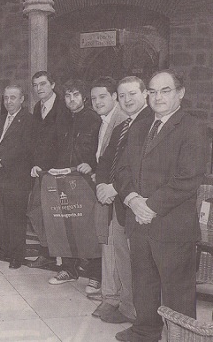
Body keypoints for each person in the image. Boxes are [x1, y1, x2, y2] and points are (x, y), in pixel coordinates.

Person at [114, 69, 207, 342]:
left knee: (177, 290)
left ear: (181, 93)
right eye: (152, 91)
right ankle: (146, 330)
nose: (157, 97)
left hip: (172, 225)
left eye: (165, 90)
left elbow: (187, 178)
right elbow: (122, 169)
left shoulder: (193, 128)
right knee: (144, 283)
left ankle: (183, 337)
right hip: (138, 221)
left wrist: (149, 206)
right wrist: (131, 199)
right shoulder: (140, 126)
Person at [93, 76, 152, 325]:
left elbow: (139, 167)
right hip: (117, 203)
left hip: (136, 202)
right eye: (123, 95)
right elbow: (106, 161)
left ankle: (136, 312)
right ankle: (127, 308)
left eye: (132, 94)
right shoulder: (122, 126)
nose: (127, 100)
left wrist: (114, 189)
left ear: (145, 95)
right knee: (122, 258)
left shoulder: (150, 123)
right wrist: (100, 187)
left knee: (136, 261)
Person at [47, 79, 101, 286]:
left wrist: (92, 166)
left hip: (86, 179)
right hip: (63, 178)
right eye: (68, 96)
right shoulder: (62, 118)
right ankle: (68, 269)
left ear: (84, 98)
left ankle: (96, 274)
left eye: (76, 95)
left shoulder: (94, 119)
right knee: (65, 222)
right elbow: (54, 147)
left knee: (89, 225)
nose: (71, 99)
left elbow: (100, 150)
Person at [85, 76, 128, 296]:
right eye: (93, 98)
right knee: (107, 242)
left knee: (114, 245)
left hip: (117, 194)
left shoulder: (121, 120)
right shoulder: (103, 120)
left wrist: (107, 185)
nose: (97, 101)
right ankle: (110, 294)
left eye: (103, 96)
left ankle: (114, 295)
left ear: (114, 97)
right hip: (106, 189)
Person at [0, 85, 34, 269]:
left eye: (13, 98)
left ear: (22, 99)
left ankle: (17, 255)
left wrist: (1, 161)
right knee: (1, 215)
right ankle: (4, 249)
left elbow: (24, 147)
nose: (9, 102)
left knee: (16, 217)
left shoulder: (28, 120)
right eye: (6, 98)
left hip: (16, 176)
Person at [27, 71, 67, 268]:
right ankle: (48, 251)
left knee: (57, 214)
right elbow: (37, 141)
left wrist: (50, 167)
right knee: (36, 211)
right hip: (41, 170)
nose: (39, 88)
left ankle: (61, 256)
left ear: (52, 84)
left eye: (43, 84)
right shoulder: (38, 107)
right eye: (35, 85)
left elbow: (61, 143)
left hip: (57, 171)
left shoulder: (63, 107)